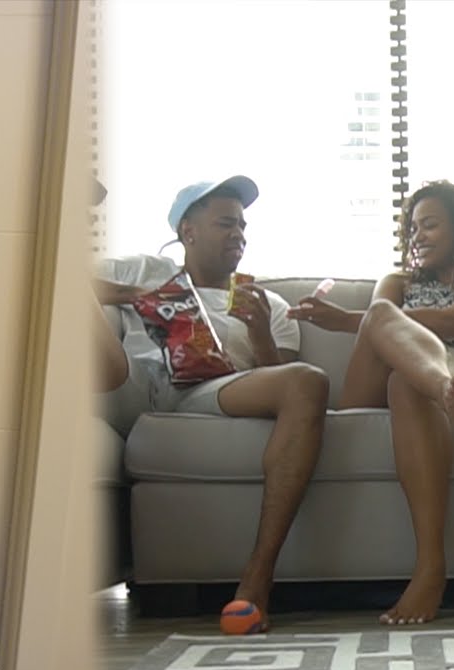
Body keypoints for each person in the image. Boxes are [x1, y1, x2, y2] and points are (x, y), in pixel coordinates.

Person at [95, 175, 330, 632]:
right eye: (226, 223)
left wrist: (260, 335)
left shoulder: (269, 304)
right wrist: (140, 297)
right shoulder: (146, 270)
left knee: (308, 381)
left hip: (210, 393)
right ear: (188, 231)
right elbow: (70, 277)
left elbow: (284, 382)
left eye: (242, 226)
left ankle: (257, 578)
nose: (238, 234)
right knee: (66, 280)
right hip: (136, 386)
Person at [289, 180, 454, 625]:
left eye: (429, 225)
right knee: (382, 318)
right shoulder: (396, 283)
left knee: (405, 382)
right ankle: (443, 391)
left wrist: (343, 319)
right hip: (382, 386)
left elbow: (449, 322)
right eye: (412, 229)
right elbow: (375, 332)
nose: (417, 237)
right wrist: (359, 321)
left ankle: (430, 568)